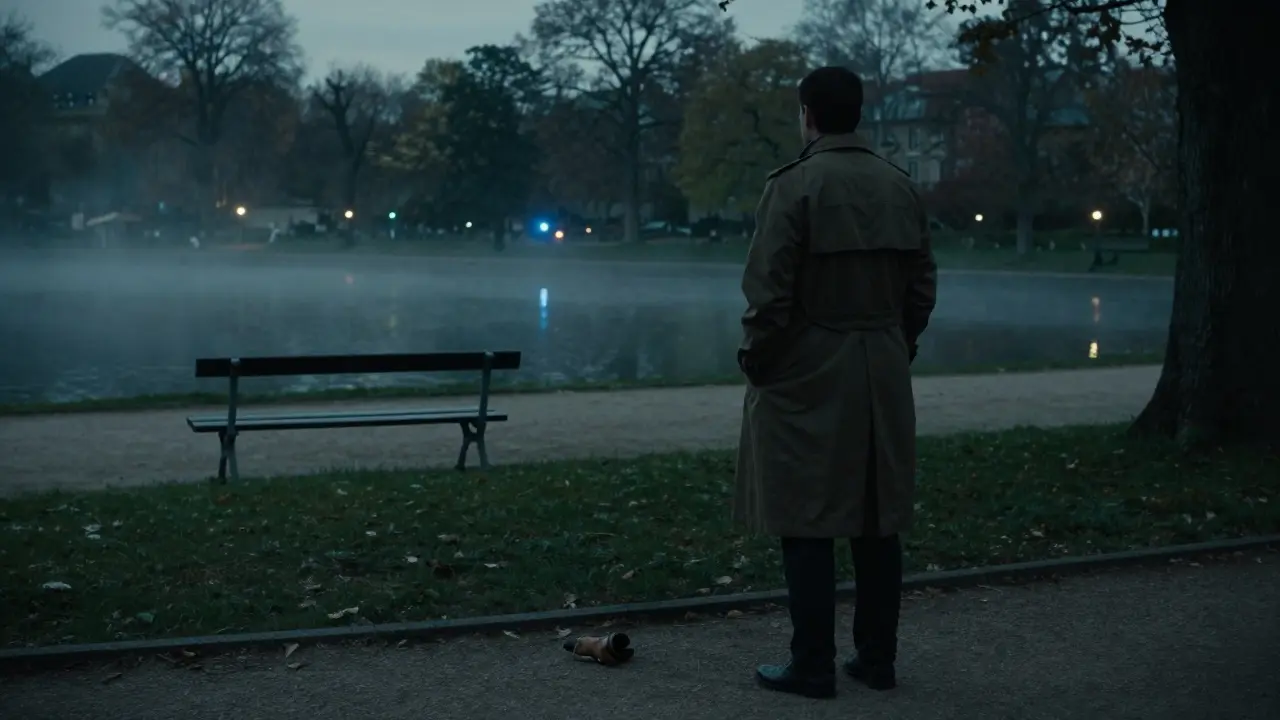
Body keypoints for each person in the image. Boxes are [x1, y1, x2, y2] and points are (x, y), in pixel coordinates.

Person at [733, 66, 938, 700]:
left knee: (805, 515)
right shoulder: (899, 186)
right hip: (880, 362)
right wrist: (894, 343)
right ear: (857, 114)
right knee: (877, 517)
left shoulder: (794, 187)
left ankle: (812, 663)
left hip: (809, 365)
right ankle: (877, 658)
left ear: (808, 116)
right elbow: (922, 286)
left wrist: (759, 360)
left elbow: (769, 295)